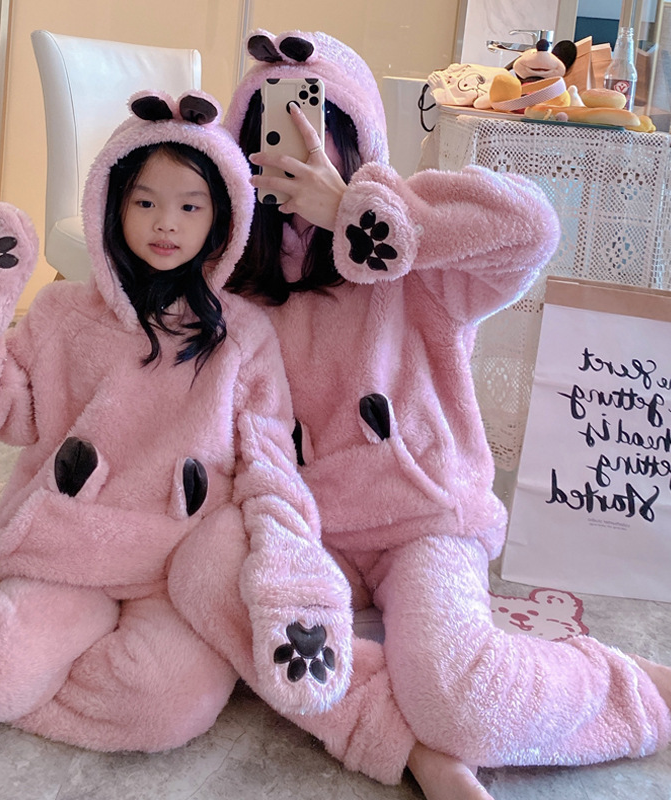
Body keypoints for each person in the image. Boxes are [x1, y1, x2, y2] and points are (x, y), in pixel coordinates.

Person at [170, 29, 671, 798]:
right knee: (200, 572)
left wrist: (356, 210)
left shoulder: (412, 256)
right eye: (270, 133)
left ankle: (629, 689)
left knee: (461, 701)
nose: (298, 151)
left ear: (361, 143)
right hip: (304, 529)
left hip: (421, 522)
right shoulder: (231, 278)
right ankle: (400, 740)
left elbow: (532, 228)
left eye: (323, 130)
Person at [0, 89, 354, 752]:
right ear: (113, 203)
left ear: (222, 220)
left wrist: (291, 570)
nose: (166, 223)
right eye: (145, 202)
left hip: (174, 566)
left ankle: (22, 683)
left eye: (190, 206)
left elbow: (270, 464)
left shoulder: (243, 338)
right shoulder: (63, 316)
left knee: (169, 708)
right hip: (68, 551)